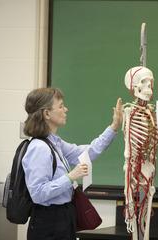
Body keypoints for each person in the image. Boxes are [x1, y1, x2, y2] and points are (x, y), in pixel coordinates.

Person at [22, 87, 123, 240]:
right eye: (61, 106)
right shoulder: (39, 148)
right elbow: (38, 194)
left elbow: (88, 152)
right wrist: (70, 177)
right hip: (49, 222)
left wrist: (114, 127)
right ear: (47, 113)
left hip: (63, 217)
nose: (66, 109)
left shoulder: (55, 143)